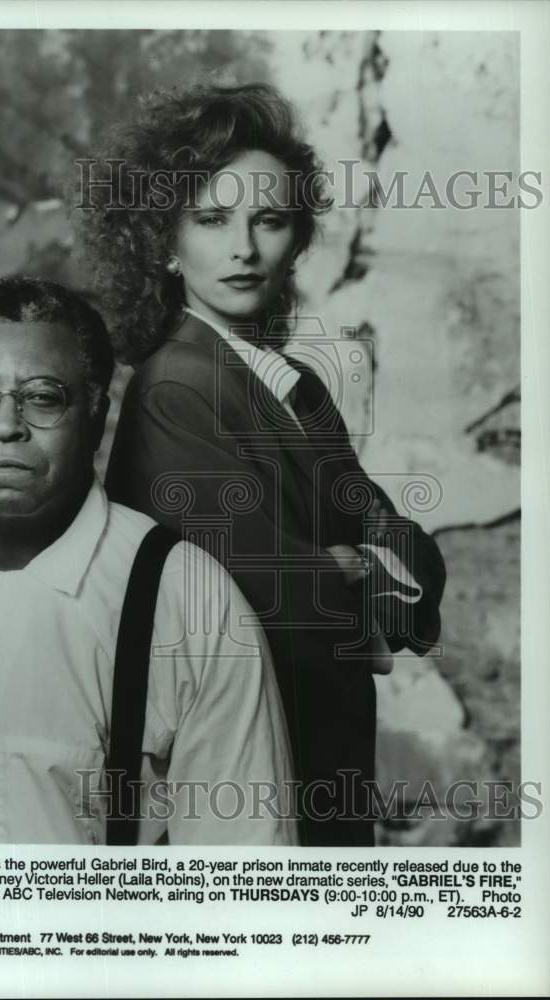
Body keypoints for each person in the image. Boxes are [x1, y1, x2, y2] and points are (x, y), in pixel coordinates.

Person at [82, 82, 447, 846]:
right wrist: (347, 565)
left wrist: (360, 560)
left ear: (297, 236)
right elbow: (247, 590)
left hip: (324, 736)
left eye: (269, 220)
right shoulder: (173, 386)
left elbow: (398, 537)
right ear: (165, 242)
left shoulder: (292, 382)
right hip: (242, 762)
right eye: (212, 220)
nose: (244, 248)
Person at [0, 276, 297, 846]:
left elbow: (242, 884)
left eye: (43, 396)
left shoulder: (189, 601)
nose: (4, 425)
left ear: (96, 416)